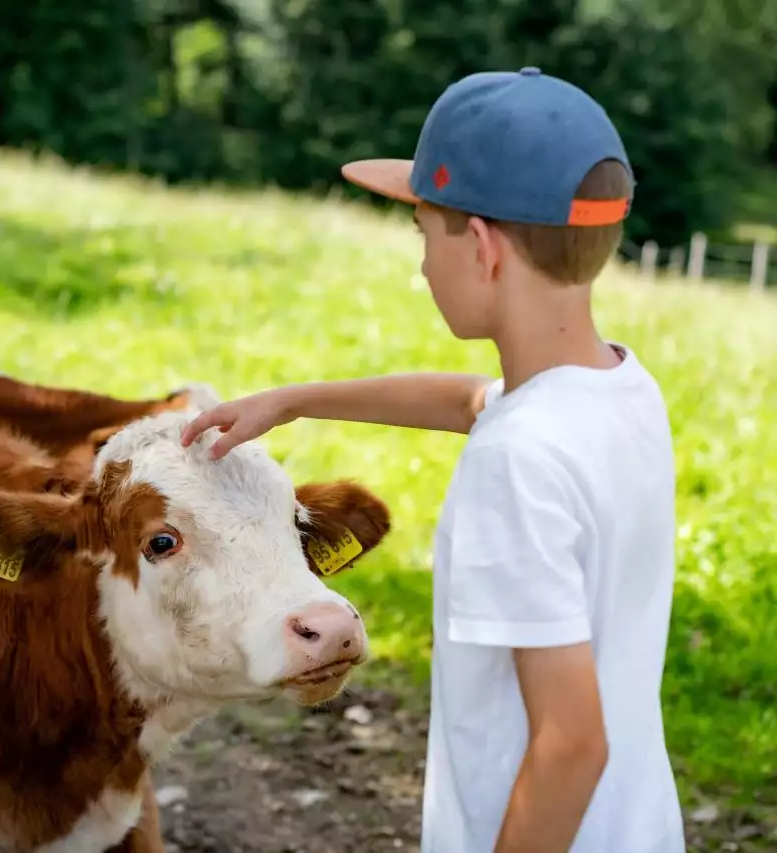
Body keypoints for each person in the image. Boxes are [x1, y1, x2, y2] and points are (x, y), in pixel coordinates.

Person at [180, 67, 685, 853]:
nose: (422, 266)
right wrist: (296, 398)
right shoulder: (618, 387)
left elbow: (571, 745)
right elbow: (468, 402)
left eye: (425, 233)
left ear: (481, 246)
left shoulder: (516, 462)